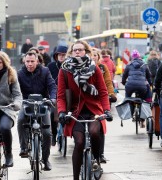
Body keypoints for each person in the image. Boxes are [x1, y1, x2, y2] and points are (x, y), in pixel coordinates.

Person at [57, 40, 112, 180]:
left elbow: (103, 92)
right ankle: (76, 177)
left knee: (94, 132)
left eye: (80, 50)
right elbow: (61, 95)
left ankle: (96, 159)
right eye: (75, 50)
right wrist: (62, 112)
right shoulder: (64, 70)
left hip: (94, 110)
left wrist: (106, 110)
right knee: (79, 142)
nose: (77, 52)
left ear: (86, 52)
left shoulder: (95, 68)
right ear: (71, 52)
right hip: (75, 112)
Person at [17, 51, 57, 171]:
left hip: (43, 104)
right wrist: (17, 100)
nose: (29, 64)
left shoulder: (45, 71)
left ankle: (45, 160)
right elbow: (15, 89)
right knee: (20, 121)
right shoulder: (19, 73)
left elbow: (52, 85)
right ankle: (23, 147)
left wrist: (53, 98)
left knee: (47, 133)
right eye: (27, 61)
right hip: (26, 104)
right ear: (24, 62)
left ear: (37, 61)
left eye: (32, 61)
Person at [92, 48, 116, 163]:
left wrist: (111, 94)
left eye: (95, 55)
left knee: (101, 127)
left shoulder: (102, 68)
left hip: (99, 100)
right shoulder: (81, 67)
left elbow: (108, 82)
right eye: (91, 55)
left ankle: (100, 154)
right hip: (87, 101)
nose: (93, 57)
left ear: (98, 57)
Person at [47, 44, 68, 146]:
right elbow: (47, 81)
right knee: (52, 114)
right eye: (59, 54)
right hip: (55, 93)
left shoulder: (70, 66)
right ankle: (54, 135)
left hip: (67, 93)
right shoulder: (51, 66)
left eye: (63, 55)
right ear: (56, 55)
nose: (61, 56)